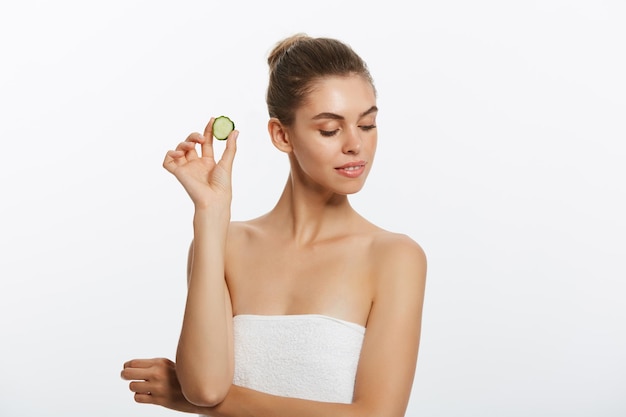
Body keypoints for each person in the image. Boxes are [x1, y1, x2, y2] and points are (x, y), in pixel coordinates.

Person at [121, 33, 427, 417]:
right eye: (330, 130)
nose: (355, 145)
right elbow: (204, 385)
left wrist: (199, 401)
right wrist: (211, 213)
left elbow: (378, 416)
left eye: (367, 125)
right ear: (282, 135)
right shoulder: (225, 244)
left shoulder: (394, 257)